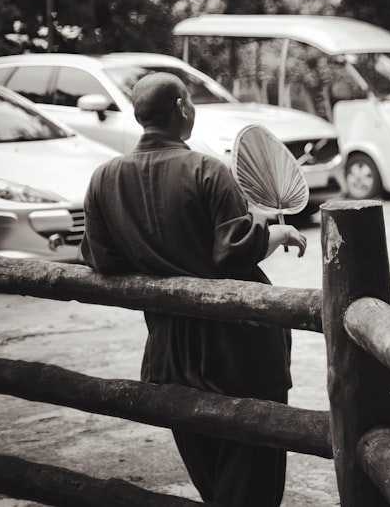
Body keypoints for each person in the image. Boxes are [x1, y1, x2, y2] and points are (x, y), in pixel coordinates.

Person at [80, 72, 307, 506]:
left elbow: (101, 258)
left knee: (212, 480)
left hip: (170, 354)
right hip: (241, 350)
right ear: (183, 108)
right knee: (252, 481)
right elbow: (230, 250)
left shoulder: (104, 179)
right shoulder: (206, 169)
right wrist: (273, 233)